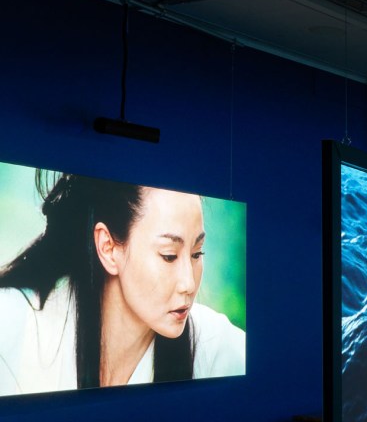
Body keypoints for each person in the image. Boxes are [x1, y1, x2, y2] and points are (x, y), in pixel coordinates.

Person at [0, 170, 245, 396]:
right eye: (169, 255)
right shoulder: (14, 324)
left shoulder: (212, 346)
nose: (188, 284)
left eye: (197, 254)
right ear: (108, 248)